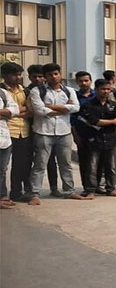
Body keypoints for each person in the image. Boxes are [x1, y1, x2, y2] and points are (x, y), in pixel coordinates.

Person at [28, 63, 82, 205]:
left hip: (64, 131)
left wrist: (51, 107)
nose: (54, 77)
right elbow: (40, 110)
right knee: (40, 164)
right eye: (50, 74)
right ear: (45, 77)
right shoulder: (37, 91)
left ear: (60, 74)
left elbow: (76, 107)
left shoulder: (69, 90)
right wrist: (65, 109)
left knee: (66, 163)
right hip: (43, 132)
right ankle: (35, 193)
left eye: (56, 73)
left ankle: (69, 191)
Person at [77, 79, 116, 199]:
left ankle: (111, 189)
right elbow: (94, 121)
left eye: (108, 89)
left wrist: (112, 124)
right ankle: (90, 190)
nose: (106, 91)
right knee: (91, 167)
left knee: (110, 167)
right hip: (94, 140)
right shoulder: (88, 105)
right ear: (96, 89)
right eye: (103, 89)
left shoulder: (113, 105)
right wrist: (111, 121)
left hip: (110, 139)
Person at [26, 64, 61, 197]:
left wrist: (50, 109)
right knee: (31, 161)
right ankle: (30, 189)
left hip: (48, 129)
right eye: (34, 77)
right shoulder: (26, 91)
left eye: (40, 76)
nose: (38, 79)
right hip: (29, 129)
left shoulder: (48, 90)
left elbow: (70, 107)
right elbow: (27, 109)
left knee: (51, 162)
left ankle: (54, 188)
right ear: (29, 77)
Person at [1, 62, 32, 202]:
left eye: (19, 74)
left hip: (24, 131)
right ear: (4, 76)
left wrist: (13, 112)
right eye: (14, 75)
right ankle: (3, 195)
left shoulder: (25, 90)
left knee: (21, 165)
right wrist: (17, 111)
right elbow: (15, 110)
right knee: (3, 167)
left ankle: (16, 192)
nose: (18, 77)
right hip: (7, 132)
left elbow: (30, 109)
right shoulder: (2, 91)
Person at [71, 71, 96, 194]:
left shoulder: (98, 95)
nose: (83, 83)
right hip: (82, 133)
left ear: (90, 81)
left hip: (99, 134)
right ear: (77, 82)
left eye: (86, 80)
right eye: (81, 81)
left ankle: (97, 186)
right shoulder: (74, 97)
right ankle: (87, 187)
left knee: (99, 162)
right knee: (85, 162)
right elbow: (72, 119)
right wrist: (75, 136)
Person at [0, 81, 20, 208]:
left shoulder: (3, 93)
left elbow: (15, 109)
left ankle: (2, 196)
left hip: (4, 139)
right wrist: (4, 112)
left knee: (2, 170)